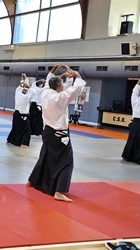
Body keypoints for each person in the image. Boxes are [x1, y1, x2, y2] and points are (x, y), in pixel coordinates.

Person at [27, 70, 87, 202]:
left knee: (45, 156)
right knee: (67, 162)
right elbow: (77, 88)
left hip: (48, 132)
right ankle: (59, 191)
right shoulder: (61, 97)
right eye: (62, 85)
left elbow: (52, 83)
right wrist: (77, 75)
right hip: (60, 135)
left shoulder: (45, 93)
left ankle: (32, 181)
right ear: (60, 87)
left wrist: (64, 76)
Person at [7, 74, 36, 148]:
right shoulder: (26, 97)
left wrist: (24, 77)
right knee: (27, 130)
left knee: (16, 128)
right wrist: (29, 87)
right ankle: (24, 143)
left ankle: (10, 140)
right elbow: (33, 92)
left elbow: (21, 85)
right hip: (23, 115)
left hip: (16, 114)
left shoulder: (17, 92)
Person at [122, 80, 140, 164]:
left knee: (132, 139)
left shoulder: (135, 100)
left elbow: (135, 91)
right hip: (137, 121)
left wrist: (138, 83)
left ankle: (127, 156)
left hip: (135, 122)